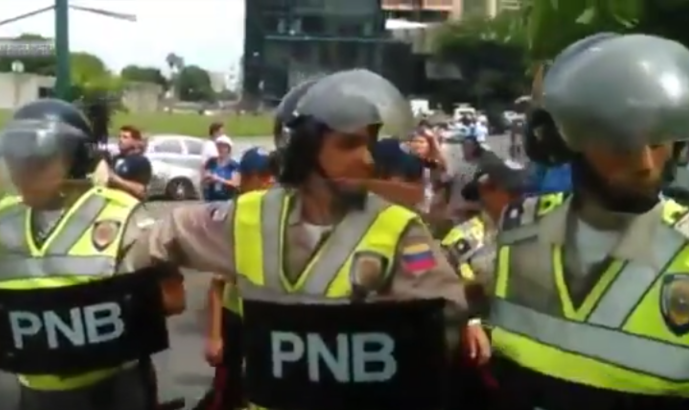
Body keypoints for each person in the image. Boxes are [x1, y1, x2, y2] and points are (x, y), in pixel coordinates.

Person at [126, 69, 490, 410]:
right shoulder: (246, 216)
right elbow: (160, 237)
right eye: (349, 144)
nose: (367, 159)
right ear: (304, 148)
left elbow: (445, 313)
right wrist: (162, 286)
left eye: (369, 144)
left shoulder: (400, 228)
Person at [489, 33, 689, 410]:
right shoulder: (517, 232)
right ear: (565, 141)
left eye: (657, 143)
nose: (645, 164)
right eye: (621, 144)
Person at [0, 98, 186, 410]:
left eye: (38, 159)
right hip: (37, 394)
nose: (22, 171)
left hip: (113, 390)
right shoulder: (6, 224)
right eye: (16, 158)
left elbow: (173, 298)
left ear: (77, 160)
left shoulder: (120, 216)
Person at [198, 146, 278, 410]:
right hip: (236, 320)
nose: (269, 181)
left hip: (269, 319)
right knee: (228, 391)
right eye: (261, 176)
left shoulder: (280, 215)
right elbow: (217, 284)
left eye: (272, 175)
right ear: (244, 178)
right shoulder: (231, 218)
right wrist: (214, 336)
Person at [108, 125, 151, 199]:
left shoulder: (141, 162)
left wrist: (117, 180)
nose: (120, 140)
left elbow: (141, 190)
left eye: (125, 137)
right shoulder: (115, 158)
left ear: (135, 141)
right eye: (119, 136)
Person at [202, 135, 240, 201]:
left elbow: (236, 183)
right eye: (219, 146)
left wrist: (220, 180)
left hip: (227, 200)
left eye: (224, 147)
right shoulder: (211, 162)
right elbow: (205, 179)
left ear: (228, 149)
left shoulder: (233, 165)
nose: (221, 149)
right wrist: (208, 179)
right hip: (212, 199)